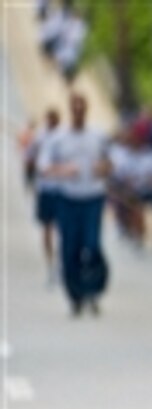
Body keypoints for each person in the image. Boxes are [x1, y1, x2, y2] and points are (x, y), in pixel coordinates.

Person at [37, 92, 110, 317]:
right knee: (70, 248)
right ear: (70, 110)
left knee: (92, 245)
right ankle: (75, 295)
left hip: (93, 198)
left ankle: (93, 290)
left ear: (86, 109)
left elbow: (110, 163)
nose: (78, 112)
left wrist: (103, 168)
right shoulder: (58, 139)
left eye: (82, 107)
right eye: (74, 108)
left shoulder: (98, 135)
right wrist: (63, 170)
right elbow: (43, 166)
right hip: (68, 199)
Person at [29, 108, 63, 285]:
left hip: (61, 190)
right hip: (45, 189)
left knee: (62, 230)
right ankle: (51, 265)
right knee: (47, 229)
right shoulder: (40, 136)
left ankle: (61, 263)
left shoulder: (63, 136)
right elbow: (32, 159)